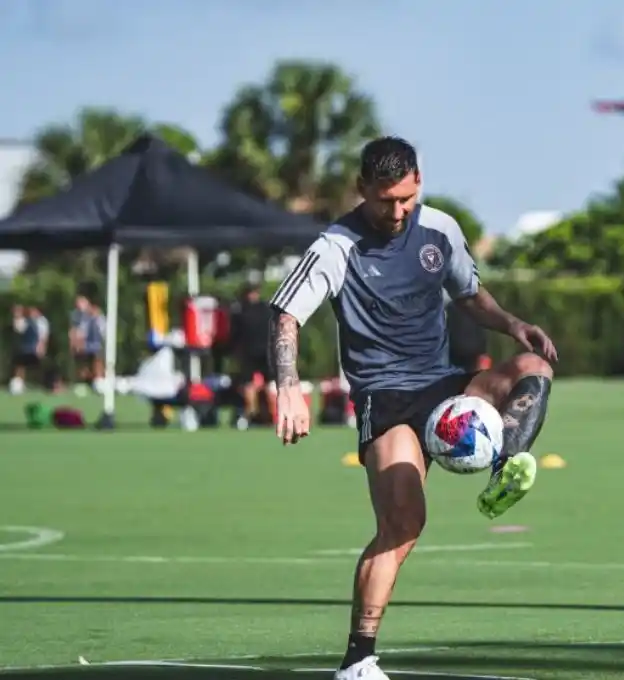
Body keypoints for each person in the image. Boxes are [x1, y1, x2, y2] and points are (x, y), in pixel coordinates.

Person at [266, 136, 557, 680]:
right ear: (362, 190)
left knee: (532, 369)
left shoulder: (439, 230)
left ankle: (503, 466)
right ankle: (358, 661)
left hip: (446, 388)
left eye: (404, 198)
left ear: (418, 181)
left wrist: (514, 324)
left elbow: (469, 294)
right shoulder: (336, 245)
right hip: (388, 401)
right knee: (402, 525)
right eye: (384, 201)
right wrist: (288, 385)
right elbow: (285, 315)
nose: (396, 211)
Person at [229, 283, 273, 424]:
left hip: (258, 351)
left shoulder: (240, 310)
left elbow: (234, 334)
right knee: (251, 385)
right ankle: (255, 414)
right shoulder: (266, 309)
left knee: (258, 385)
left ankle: (262, 414)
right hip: (254, 351)